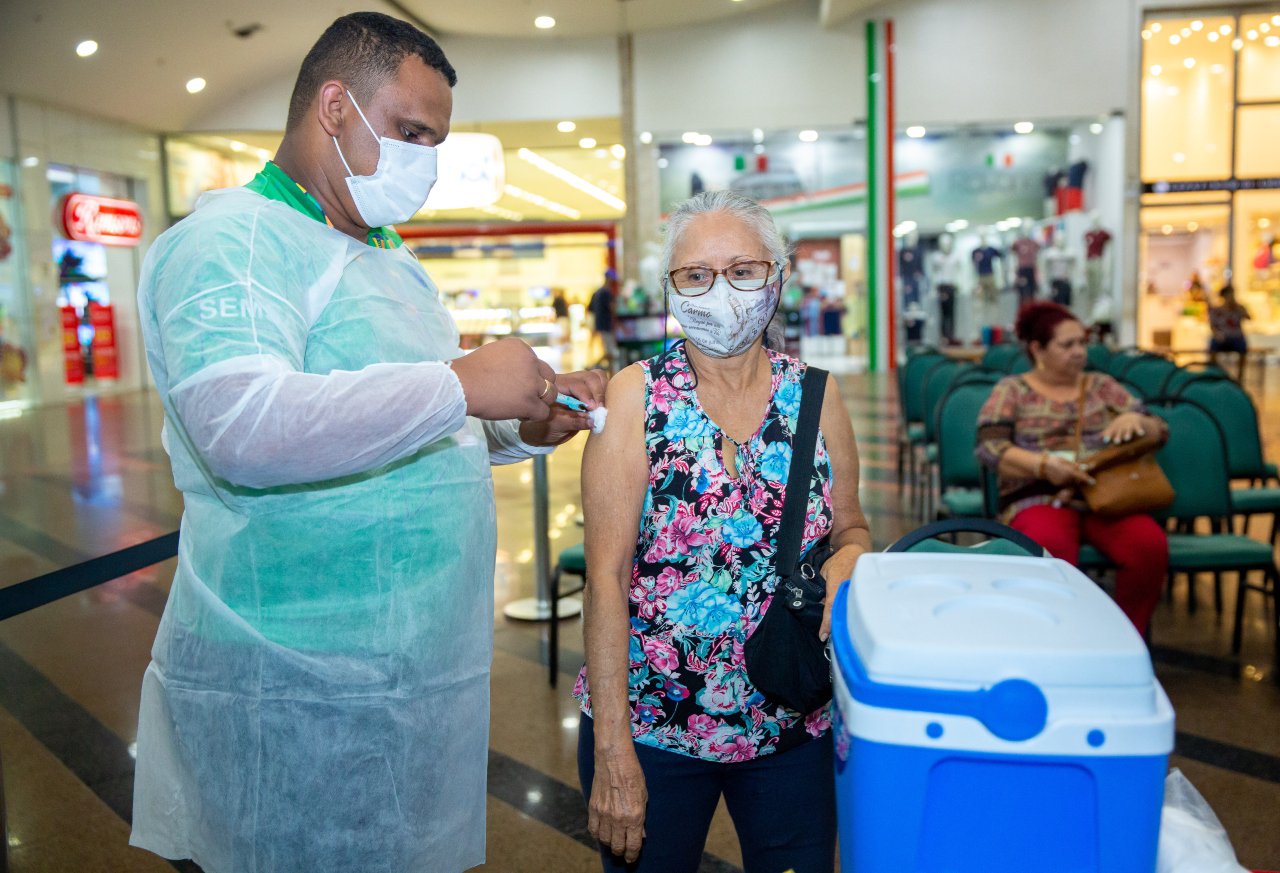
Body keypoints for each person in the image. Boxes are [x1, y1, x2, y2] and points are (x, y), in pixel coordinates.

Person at [128, 13, 606, 873]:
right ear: (336, 105)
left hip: (414, 675)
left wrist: (521, 424)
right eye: (410, 131)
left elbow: (414, 423)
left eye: (437, 139)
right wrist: (461, 381)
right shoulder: (229, 241)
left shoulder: (387, 258)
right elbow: (240, 425)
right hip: (285, 683)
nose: (423, 158)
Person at [574, 190, 872, 872]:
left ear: (778, 277)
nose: (722, 292)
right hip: (652, 723)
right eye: (696, 275)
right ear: (670, 291)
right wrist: (614, 749)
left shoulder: (819, 397)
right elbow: (607, 579)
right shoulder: (635, 396)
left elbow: (851, 525)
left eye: (743, 269)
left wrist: (851, 554)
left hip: (791, 722)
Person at [976, 302, 1168, 633]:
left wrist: (1135, 418)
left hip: (1104, 494)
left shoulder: (1100, 385)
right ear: (1037, 348)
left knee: (1148, 545)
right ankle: (1059, 636)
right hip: (1038, 494)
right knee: (1051, 548)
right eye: (1068, 345)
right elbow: (990, 448)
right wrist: (1043, 466)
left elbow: (1159, 430)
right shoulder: (1012, 390)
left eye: (1083, 342)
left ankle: (1122, 636)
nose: (1080, 352)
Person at [1208, 284, 1250, 380]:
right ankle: (1213, 373)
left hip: (1236, 338)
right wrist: (1217, 334)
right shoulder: (1217, 310)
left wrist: (1239, 308)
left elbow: (1248, 317)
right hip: (1222, 338)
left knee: (1242, 345)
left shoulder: (1238, 308)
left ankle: (1240, 376)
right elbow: (1212, 326)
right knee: (1213, 344)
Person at [589, 269, 619, 370]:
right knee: (609, 351)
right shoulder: (606, 292)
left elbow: (591, 309)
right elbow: (612, 308)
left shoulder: (597, 292)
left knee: (608, 350)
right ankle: (595, 366)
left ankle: (601, 367)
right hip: (606, 325)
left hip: (600, 324)